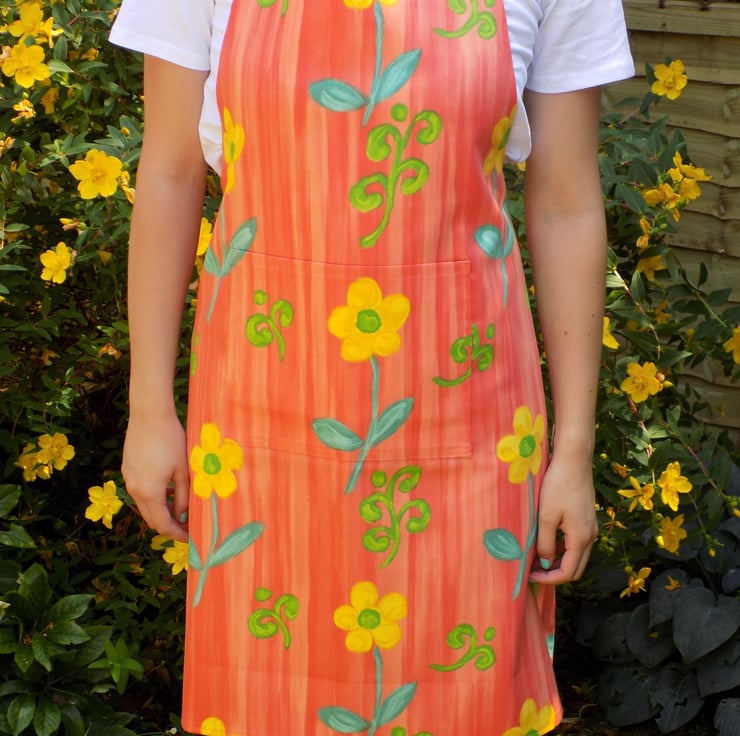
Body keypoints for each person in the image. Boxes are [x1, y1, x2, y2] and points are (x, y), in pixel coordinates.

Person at [111, 2, 634, 734]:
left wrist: (574, 448)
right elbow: (169, 175)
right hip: (257, 430)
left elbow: (566, 205)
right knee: (268, 705)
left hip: (471, 429)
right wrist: (148, 411)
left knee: (465, 703)